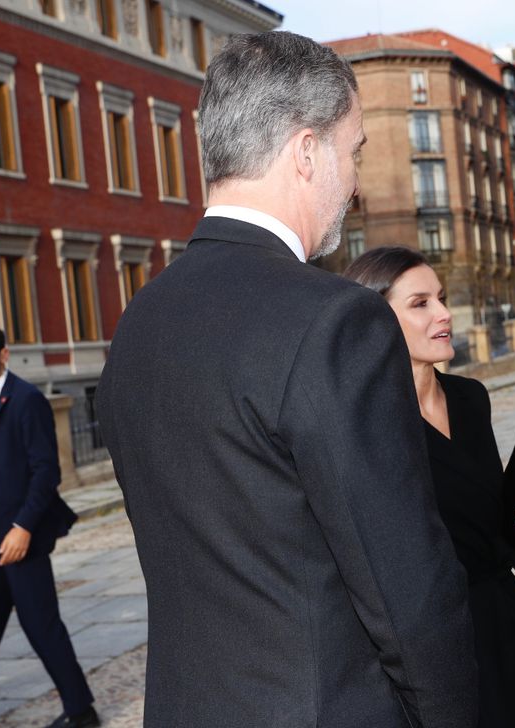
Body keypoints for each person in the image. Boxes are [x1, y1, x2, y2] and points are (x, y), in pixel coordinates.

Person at [95, 33, 478, 727]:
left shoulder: (138, 321)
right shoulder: (337, 322)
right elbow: (403, 586)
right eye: (354, 151)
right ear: (307, 152)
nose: (356, 182)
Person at [344, 246, 515, 727]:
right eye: (420, 303)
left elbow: (487, 511)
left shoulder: (470, 398)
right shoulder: (362, 424)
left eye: (441, 298)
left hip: (504, 627)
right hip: (433, 649)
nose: (444, 314)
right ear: (374, 319)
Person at [0, 325, 97, 728]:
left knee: (42, 627)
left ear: (3, 354)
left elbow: (46, 472)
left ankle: (82, 712)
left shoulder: (27, 400)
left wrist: (23, 527)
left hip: (21, 539)